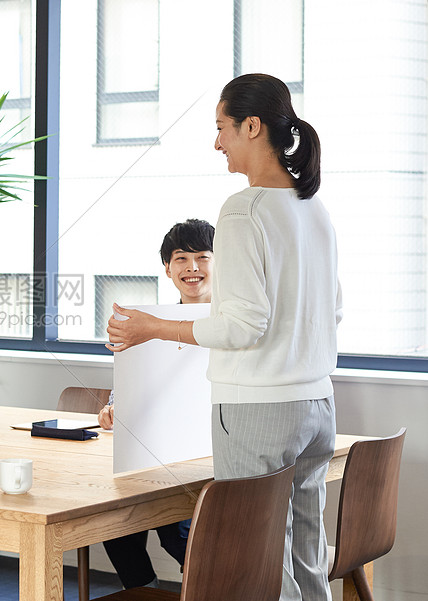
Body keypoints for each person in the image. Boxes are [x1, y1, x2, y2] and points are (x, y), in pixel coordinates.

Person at [107, 74, 341, 601]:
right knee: (306, 553)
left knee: (259, 561)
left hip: (258, 412)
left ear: (252, 127)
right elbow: (335, 308)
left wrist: (152, 328)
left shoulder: (244, 210)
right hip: (318, 405)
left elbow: (241, 325)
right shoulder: (314, 209)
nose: (217, 142)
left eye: (222, 128)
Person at [97, 218, 214, 590]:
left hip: (213, 460)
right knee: (115, 520)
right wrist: (116, 407)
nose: (192, 267)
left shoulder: (236, 319)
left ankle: (211, 585)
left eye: (203, 257)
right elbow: (137, 377)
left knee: (177, 531)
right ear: (167, 267)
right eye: (181, 258)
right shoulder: (149, 319)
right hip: (159, 456)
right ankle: (142, 590)